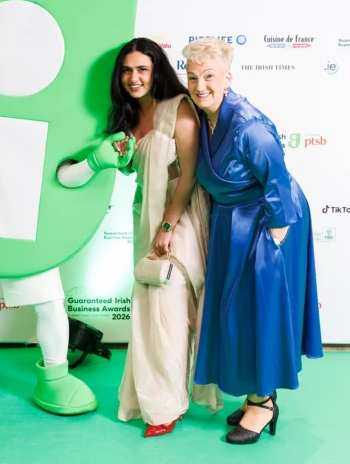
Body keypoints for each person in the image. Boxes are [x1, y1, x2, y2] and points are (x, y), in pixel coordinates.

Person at [183, 37, 323, 445]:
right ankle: (254, 395)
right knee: (234, 313)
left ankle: (263, 403)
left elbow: (278, 181)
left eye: (209, 76)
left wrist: (272, 245)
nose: (200, 85)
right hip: (232, 223)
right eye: (193, 77)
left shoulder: (249, 125)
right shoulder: (203, 115)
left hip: (268, 221)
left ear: (228, 76)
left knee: (258, 310)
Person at [103, 37, 223, 437]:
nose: (133, 78)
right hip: (147, 221)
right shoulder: (130, 114)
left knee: (170, 317)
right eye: (126, 70)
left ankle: (168, 406)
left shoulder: (179, 108)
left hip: (180, 222)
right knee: (151, 317)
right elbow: (136, 171)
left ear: (157, 71)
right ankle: (155, 397)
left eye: (141, 69)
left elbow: (188, 174)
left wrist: (168, 227)